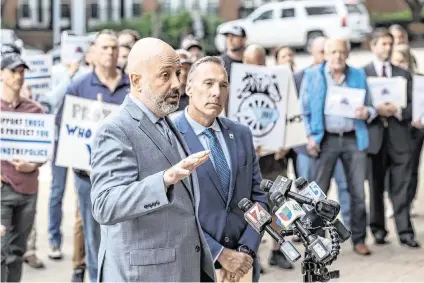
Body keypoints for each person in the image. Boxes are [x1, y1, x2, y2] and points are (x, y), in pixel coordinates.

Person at [90, 37, 216, 282]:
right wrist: (164, 180)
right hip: (143, 273)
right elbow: (104, 205)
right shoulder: (116, 129)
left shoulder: (165, 118)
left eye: (178, 73)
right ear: (136, 81)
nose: (177, 83)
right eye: (165, 75)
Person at [173, 56, 268, 282]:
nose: (216, 92)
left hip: (242, 267)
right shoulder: (170, 136)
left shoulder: (241, 134)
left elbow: (260, 199)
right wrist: (220, 254)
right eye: (208, 83)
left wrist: (246, 250)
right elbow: (173, 214)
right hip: (196, 266)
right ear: (189, 87)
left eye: (223, 85)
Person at [56, 29, 131, 282]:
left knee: (125, 235)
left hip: (125, 177)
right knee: (93, 236)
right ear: (93, 53)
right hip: (87, 177)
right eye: (105, 48)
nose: (110, 52)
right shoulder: (79, 87)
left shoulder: (131, 85)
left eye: (114, 47)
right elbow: (64, 125)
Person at [301, 38, 377, 256]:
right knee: (317, 193)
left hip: (353, 138)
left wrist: (367, 113)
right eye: (333, 51)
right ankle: (317, 244)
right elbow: (304, 111)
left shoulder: (358, 75)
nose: (337, 56)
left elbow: (371, 108)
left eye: (341, 52)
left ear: (347, 54)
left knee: (357, 193)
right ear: (325, 53)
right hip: (325, 139)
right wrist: (309, 136)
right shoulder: (313, 76)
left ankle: (359, 239)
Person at [364, 28, 420, 249]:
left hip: (399, 139)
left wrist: (397, 110)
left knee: (401, 188)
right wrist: (374, 109)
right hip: (374, 138)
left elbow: (413, 109)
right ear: (373, 46)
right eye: (383, 44)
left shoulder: (403, 74)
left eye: (390, 44)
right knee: (376, 187)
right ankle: (378, 229)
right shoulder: (363, 73)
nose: (387, 48)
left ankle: (405, 231)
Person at [243, 44, 293, 270]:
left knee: (280, 208)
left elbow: (290, 117)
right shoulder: (236, 87)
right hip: (248, 162)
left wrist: (286, 143)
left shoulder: (278, 84)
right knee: (254, 210)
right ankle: (254, 255)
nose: (255, 68)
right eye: (250, 64)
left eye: (259, 63)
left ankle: (278, 251)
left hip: (275, 160)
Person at [294, 37, 351, 229]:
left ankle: (347, 229)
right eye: (323, 52)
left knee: (344, 186)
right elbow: (300, 112)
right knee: (311, 191)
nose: (329, 57)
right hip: (310, 145)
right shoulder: (303, 76)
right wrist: (309, 138)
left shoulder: (341, 76)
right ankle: (309, 230)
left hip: (336, 141)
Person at [0, 53, 45, 282]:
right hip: (2, 190)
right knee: (0, 250)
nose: (18, 76)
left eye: (21, 72)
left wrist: (32, 164)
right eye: (13, 71)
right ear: (1, 74)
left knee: (17, 251)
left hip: (28, 190)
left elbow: (45, 150)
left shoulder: (35, 111)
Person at [391, 44, 424, 217]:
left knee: (411, 169)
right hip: (396, 130)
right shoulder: (390, 80)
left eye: (402, 61)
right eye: (395, 61)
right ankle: (396, 201)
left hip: (415, 131)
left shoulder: (419, 80)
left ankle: (408, 201)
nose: (398, 65)